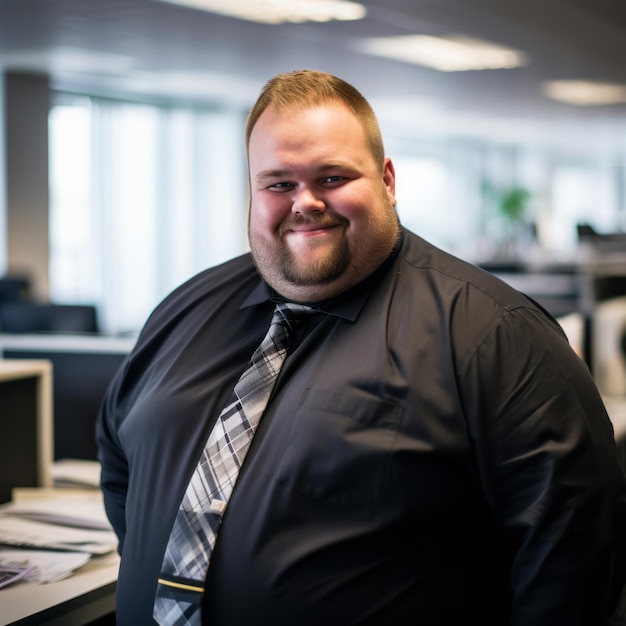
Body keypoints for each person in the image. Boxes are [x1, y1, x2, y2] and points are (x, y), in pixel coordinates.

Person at [96, 69, 626, 626]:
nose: (305, 202)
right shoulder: (185, 310)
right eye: (277, 183)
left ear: (388, 180)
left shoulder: (495, 334)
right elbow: (121, 460)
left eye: (331, 177)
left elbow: (574, 555)